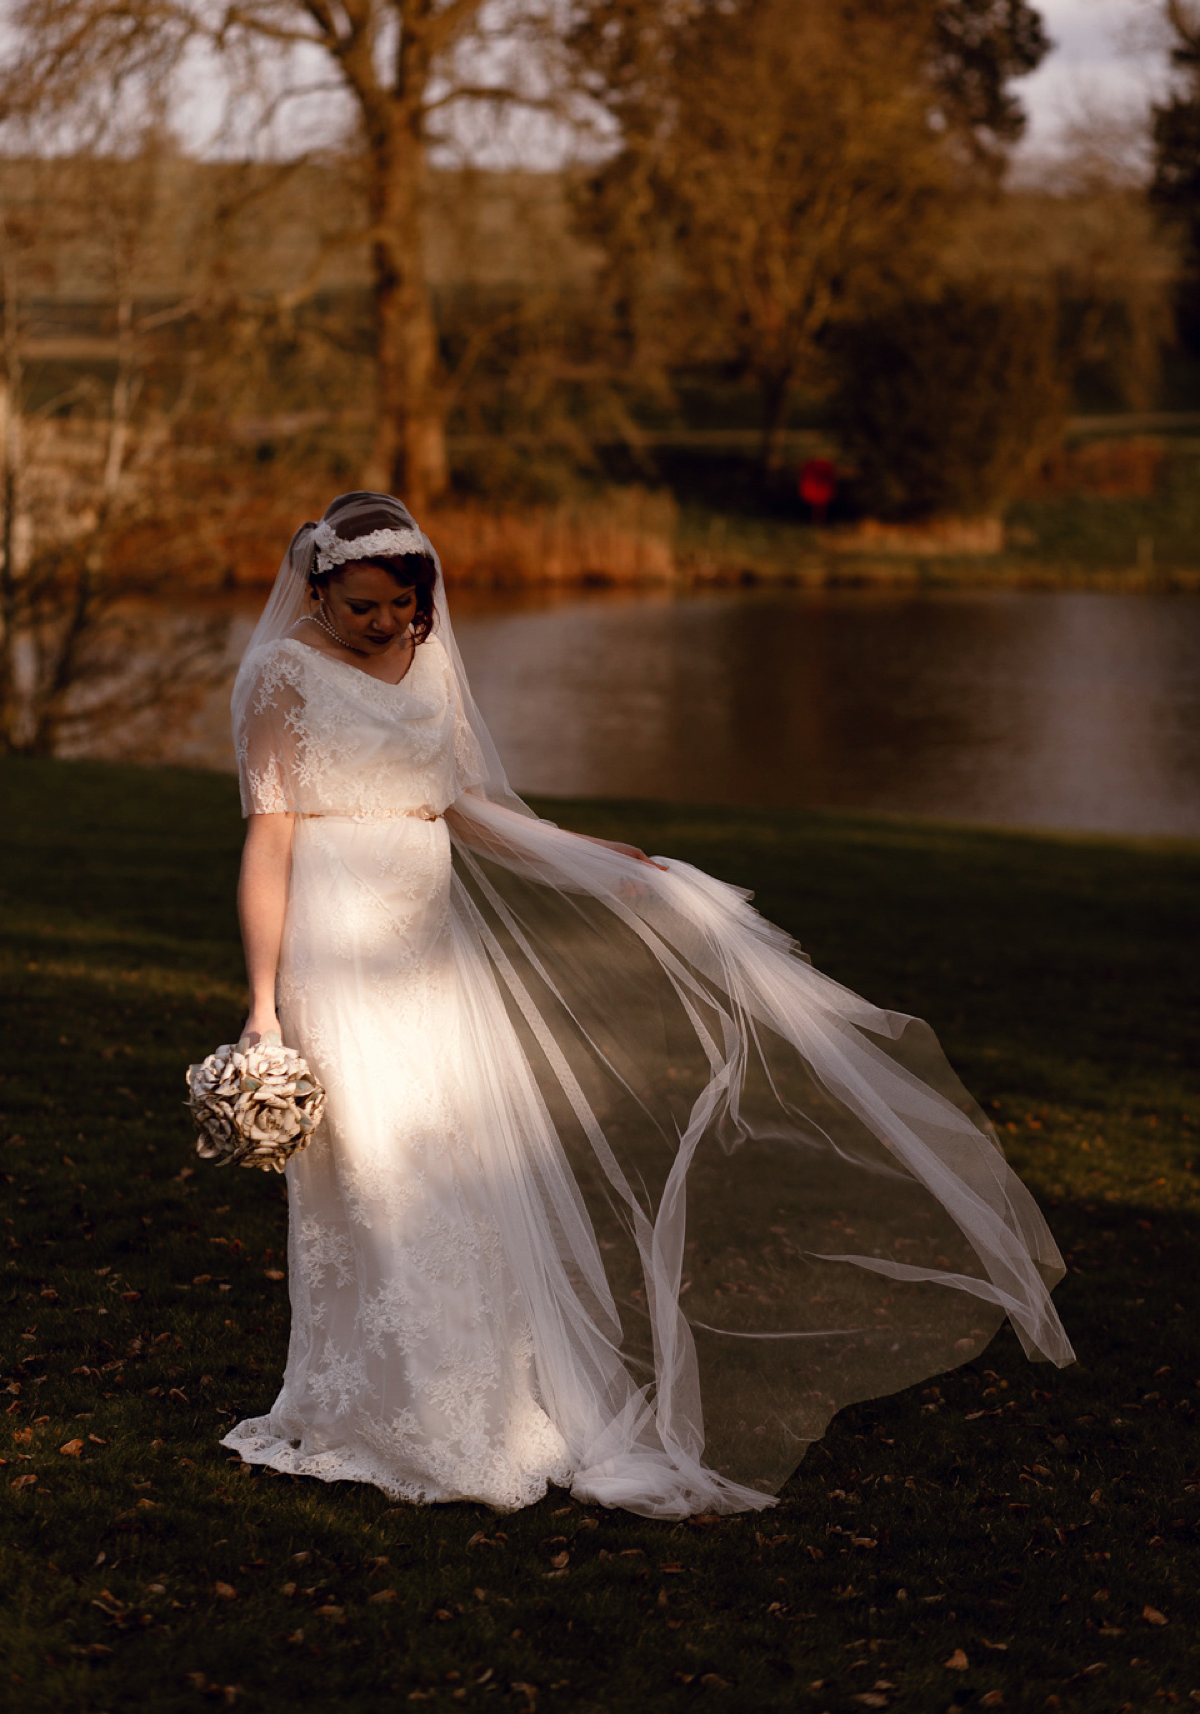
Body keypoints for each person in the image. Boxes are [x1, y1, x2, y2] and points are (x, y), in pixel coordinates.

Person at [223, 491, 1073, 1519]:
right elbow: (270, 839)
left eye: (400, 609)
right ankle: (365, 1402)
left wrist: (587, 858)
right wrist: (264, 1007)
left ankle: (475, 1401)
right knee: (370, 1168)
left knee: (452, 1162)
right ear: (319, 586)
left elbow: (464, 808)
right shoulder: (280, 674)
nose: (382, 626)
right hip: (337, 943)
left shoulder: (428, 660)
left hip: (427, 947)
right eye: (361, 606)